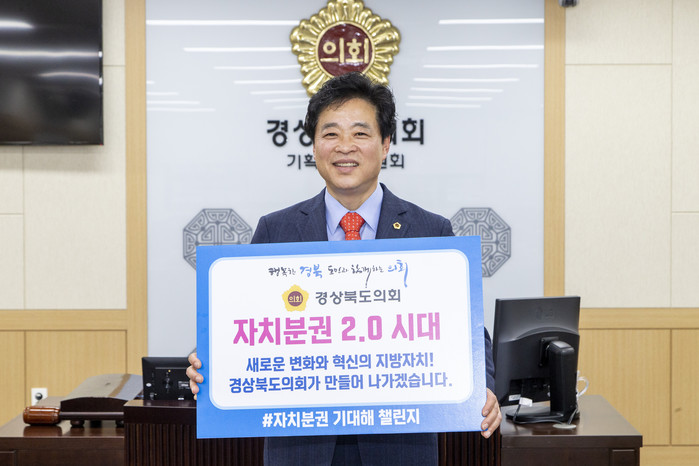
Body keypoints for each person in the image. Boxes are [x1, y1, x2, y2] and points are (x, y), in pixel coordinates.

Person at [187, 72, 501, 466]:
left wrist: (483, 385)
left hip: (400, 444)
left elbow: (464, 327)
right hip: (301, 447)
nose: (344, 147)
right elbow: (245, 323)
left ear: (386, 144)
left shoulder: (430, 230)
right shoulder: (276, 230)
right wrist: (210, 360)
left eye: (360, 133)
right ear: (313, 144)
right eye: (331, 133)